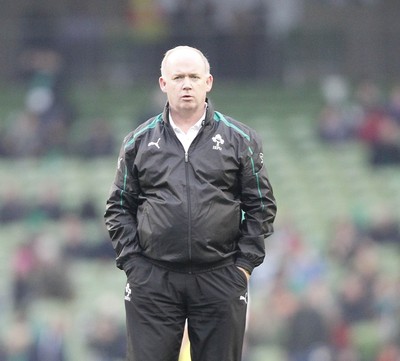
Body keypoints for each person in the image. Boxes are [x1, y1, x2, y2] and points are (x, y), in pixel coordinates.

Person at [104, 45, 277, 361]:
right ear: (163, 84)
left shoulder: (241, 139)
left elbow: (261, 206)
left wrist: (243, 267)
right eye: (178, 77)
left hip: (221, 276)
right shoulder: (137, 142)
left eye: (194, 77)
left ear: (208, 82)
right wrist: (133, 264)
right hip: (153, 278)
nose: (186, 84)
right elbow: (118, 208)